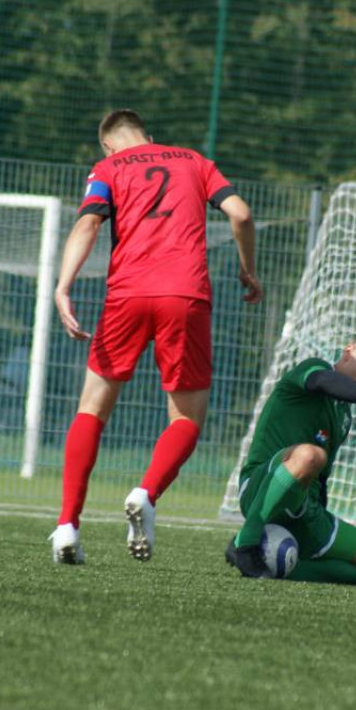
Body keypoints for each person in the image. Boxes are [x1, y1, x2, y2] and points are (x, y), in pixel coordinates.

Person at [50, 109, 262, 564]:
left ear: (108, 145)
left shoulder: (106, 169)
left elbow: (88, 223)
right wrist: (248, 271)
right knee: (185, 418)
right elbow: (241, 214)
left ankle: (67, 526)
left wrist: (63, 286)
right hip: (185, 295)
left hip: (126, 295)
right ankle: (146, 494)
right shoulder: (194, 161)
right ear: (150, 135)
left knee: (91, 408)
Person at [225, 333, 356, 586]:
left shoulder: (343, 416)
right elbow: (325, 382)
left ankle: (279, 569)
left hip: (306, 508)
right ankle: (246, 542)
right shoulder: (312, 369)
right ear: (348, 351)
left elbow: (321, 478)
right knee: (310, 455)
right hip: (258, 490)